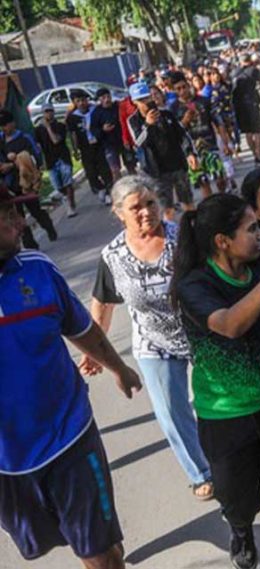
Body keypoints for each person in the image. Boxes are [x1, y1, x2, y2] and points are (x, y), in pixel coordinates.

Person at [0, 190, 142, 569]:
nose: (21, 222)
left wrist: (119, 368)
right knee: (75, 545)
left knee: (98, 556)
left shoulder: (37, 270)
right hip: (7, 464)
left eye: (17, 212)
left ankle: (103, 545)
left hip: (69, 438)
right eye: (7, 215)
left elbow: (83, 330)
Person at [172, 194, 260, 569]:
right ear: (222, 241)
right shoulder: (194, 285)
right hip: (225, 412)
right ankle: (242, 532)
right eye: (252, 229)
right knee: (238, 496)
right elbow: (230, 325)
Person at [81, 175, 214, 500]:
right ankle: (200, 473)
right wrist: (96, 352)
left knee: (217, 402)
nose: (145, 213)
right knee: (171, 410)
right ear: (118, 213)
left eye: (151, 203)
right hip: (153, 341)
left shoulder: (183, 237)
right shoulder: (112, 257)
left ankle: (231, 455)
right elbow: (103, 303)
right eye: (135, 208)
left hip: (200, 332)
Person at [126, 82, 198, 220]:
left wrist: (190, 153)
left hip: (177, 165)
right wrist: (147, 124)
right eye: (141, 100)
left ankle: (193, 231)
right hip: (156, 170)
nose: (146, 102)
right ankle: (171, 236)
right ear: (134, 102)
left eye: (147, 98)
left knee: (188, 202)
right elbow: (138, 143)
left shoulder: (166, 114)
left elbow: (182, 135)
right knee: (167, 208)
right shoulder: (133, 120)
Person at [171, 71, 232, 200]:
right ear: (174, 90)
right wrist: (185, 120)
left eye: (184, 87)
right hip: (192, 150)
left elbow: (218, 122)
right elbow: (175, 132)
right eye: (178, 89)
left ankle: (224, 200)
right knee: (203, 182)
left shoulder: (204, 101)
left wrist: (226, 143)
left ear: (188, 85)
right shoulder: (174, 108)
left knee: (219, 178)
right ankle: (211, 209)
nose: (182, 91)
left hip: (210, 145)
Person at [0, 110, 56, 249]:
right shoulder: (0, 141)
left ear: (12, 123)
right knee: (17, 216)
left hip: (27, 181)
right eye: (1, 126)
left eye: (6, 125)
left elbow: (35, 158)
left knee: (35, 210)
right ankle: (30, 243)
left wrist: (16, 163)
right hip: (10, 184)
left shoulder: (24, 138)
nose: (4, 128)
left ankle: (48, 226)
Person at [67, 91, 114, 205]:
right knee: (91, 173)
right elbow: (73, 134)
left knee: (105, 170)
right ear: (74, 103)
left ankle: (109, 193)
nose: (82, 103)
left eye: (83, 100)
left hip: (99, 144)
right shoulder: (72, 118)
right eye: (78, 101)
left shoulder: (95, 111)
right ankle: (100, 187)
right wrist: (75, 149)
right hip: (85, 147)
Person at [35, 103, 77, 217]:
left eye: (50, 111)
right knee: (58, 186)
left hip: (63, 157)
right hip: (50, 161)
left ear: (53, 112)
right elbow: (38, 147)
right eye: (46, 112)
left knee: (67, 182)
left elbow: (56, 140)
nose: (48, 113)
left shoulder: (60, 126)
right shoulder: (38, 130)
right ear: (43, 114)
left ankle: (71, 206)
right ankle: (67, 197)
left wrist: (48, 128)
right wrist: (40, 162)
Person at [233, 54, 260, 164]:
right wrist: (255, 89)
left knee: (247, 133)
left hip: (239, 106)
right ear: (249, 60)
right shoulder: (254, 71)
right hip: (252, 103)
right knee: (257, 131)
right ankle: (259, 156)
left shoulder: (235, 72)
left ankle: (254, 154)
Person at [93, 88, 125, 183]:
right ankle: (121, 188)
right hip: (108, 144)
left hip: (123, 140)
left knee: (131, 165)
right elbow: (93, 130)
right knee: (114, 170)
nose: (106, 99)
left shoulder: (118, 106)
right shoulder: (96, 113)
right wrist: (103, 129)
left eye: (108, 96)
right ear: (99, 100)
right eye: (103, 97)